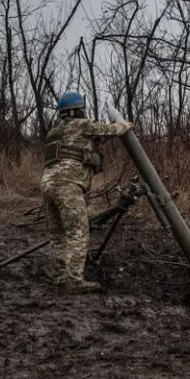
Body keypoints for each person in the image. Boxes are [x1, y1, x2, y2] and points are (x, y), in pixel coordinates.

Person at [41, 92, 131, 290]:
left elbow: (81, 144)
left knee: (57, 234)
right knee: (78, 232)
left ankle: (61, 277)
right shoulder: (81, 125)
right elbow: (109, 130)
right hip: (68, 184)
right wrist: (123, 126)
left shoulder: (54, 133)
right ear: (77, 110)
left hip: (48, 184)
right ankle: (74, 281)